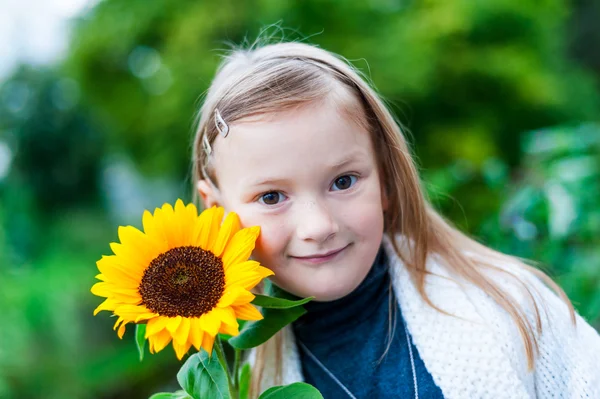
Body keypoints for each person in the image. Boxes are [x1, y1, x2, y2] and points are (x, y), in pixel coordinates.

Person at [191, 40, 600, 398]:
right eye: (272, 196)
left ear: (386, 179)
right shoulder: (242, 379)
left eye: (343, 181)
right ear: (219, 214)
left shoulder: (508, 307)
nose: (318, 227)